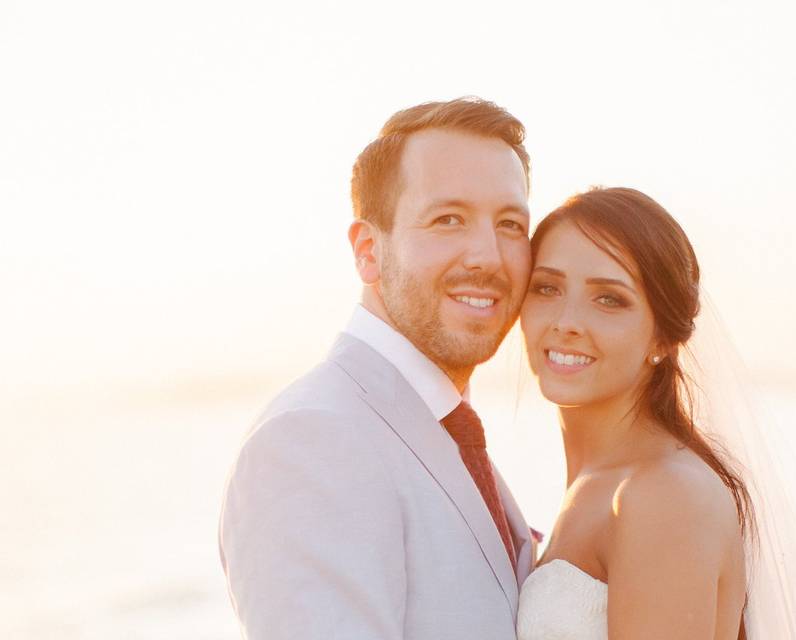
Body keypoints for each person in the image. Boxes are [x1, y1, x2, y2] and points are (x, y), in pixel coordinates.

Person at [219, 97, 536, 640]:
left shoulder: (444, 428)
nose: (488, 255)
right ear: (368, 250)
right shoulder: (311, 440)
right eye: (448, 219)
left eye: (509, 224)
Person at [515, 187, 752, 639]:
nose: (566, 320)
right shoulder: (595, 488)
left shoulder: (665, 494)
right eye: (546, 288)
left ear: (663, 339)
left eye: (608, 299)